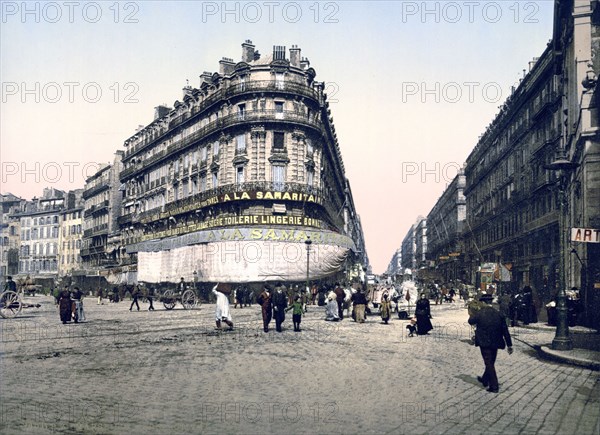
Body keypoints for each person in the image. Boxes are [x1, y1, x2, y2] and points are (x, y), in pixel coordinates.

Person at [468, 294, 513, 393]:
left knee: (488, 363)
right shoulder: (498, 314)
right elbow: (505, 330)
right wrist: (509, 345)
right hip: (496, 342)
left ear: (483, 302)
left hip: (484, 342)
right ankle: (485, 379)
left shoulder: (480, 313)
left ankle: (494, 386)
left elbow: (470, 321)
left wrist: (472, 312)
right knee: (491, 362)